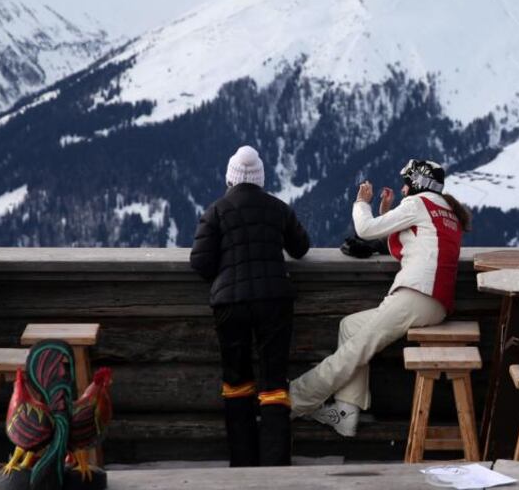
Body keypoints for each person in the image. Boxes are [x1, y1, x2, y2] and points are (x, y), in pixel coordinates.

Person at [289, 159, 471, 436]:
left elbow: (365, 230)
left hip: (415, 294)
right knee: (350, 327)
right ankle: (346, 412)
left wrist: (362, 202)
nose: (403, 188)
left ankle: (291, 401)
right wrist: (387, 212)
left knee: (353, 352)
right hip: (436, 302)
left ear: (417, 184)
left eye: (406, 183)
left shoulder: (419, 203)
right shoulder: (446, 211)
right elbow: (409, 246)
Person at [190, 145, 311, 467]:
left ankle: (242, 461)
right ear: (259, 179)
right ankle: (275, 462)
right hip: (275, 300)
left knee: (237, 380)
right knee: (274, 381)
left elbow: (200, 263)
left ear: (230, 178)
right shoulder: (278, 209)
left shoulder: (215, 211)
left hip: (231, 304)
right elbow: (301, 248)